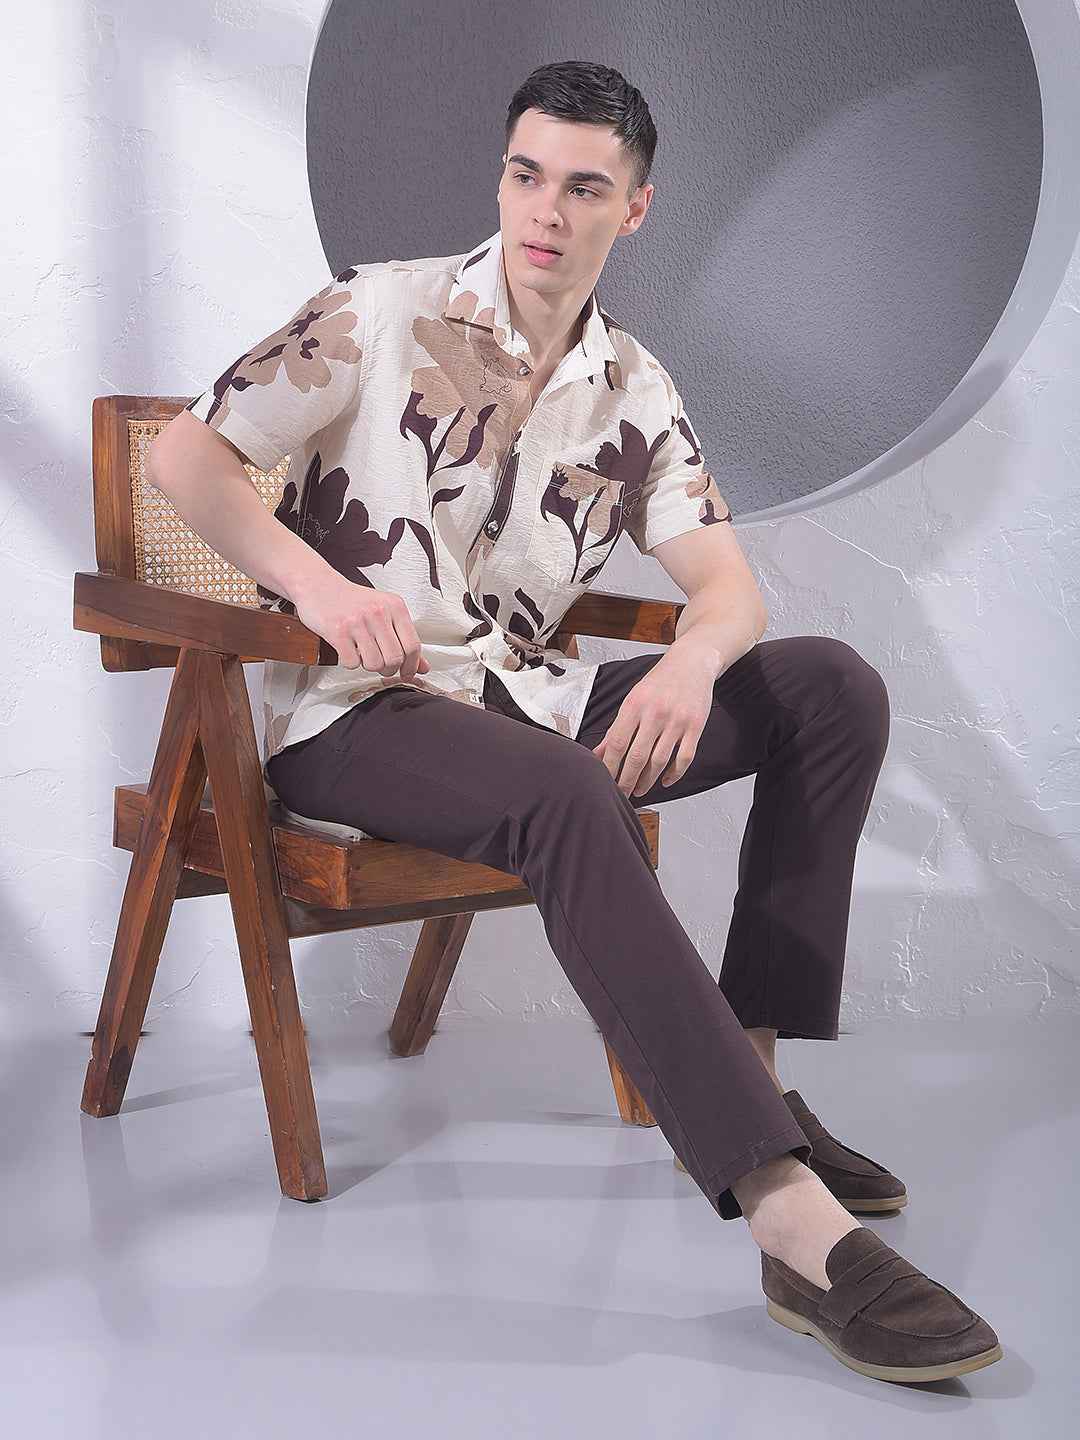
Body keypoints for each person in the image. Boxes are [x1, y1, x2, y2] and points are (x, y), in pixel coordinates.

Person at [149, 60, 1002, 1384]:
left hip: (529, 704)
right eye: (526, 175)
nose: (546, 210)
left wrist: (690, 665)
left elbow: (729, 588)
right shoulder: (379, 310)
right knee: (568, 791)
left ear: (635, 209)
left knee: (829, 686)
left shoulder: (633, 388)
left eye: (585, 188)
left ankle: (755, 1073)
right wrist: (318, 588)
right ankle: (788, 1221)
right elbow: (184, 457)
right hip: (356, 713)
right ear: (504, 176)